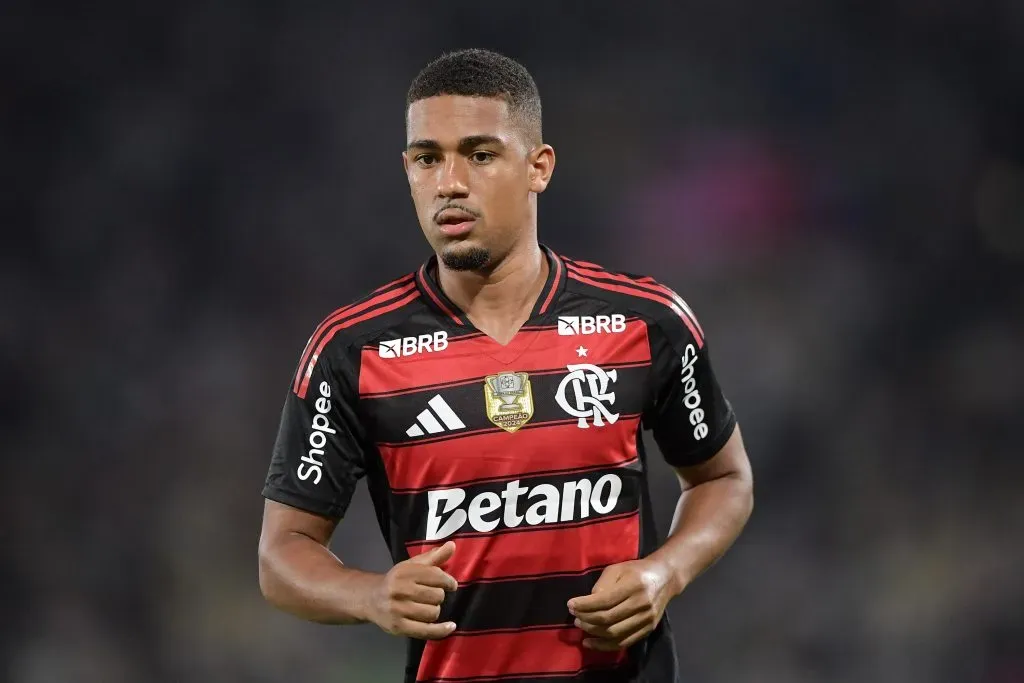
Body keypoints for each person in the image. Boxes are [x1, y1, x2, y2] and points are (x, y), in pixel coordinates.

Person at [258, 48, 754, 683]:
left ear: (538, 167)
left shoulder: (645, 322)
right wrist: (369, 596)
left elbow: (723, 479)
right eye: (427, 158)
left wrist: (665, 571)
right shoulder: (353, 350)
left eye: (481, 154)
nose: (450, 183)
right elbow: (282, 555)